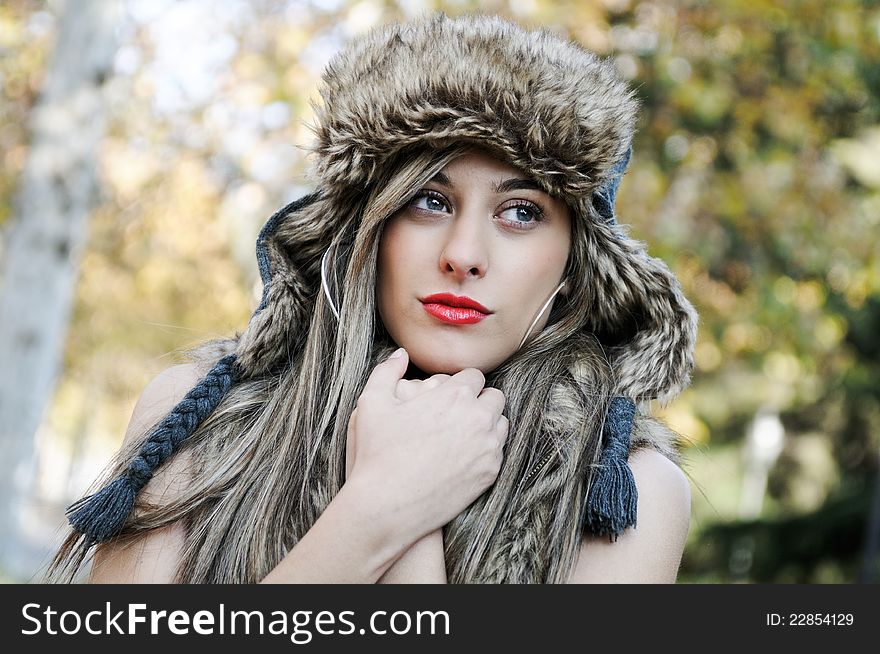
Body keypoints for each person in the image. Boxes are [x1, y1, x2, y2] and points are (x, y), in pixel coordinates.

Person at [50, 12, 697, 584]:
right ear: (368, 223)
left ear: (574, 262)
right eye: (430, 200)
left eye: (521, 211)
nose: (464, 253)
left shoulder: (625, 488)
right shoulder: (200, 419)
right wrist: (382, 509)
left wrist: (413, 519)